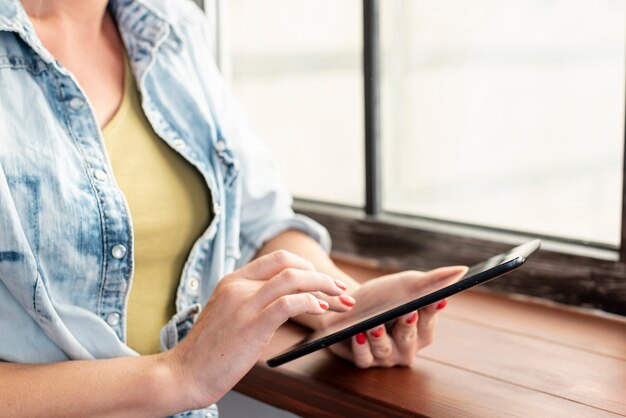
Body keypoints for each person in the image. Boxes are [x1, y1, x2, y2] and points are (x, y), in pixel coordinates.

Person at [0, 0, 467, 416]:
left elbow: (256, 224)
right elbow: (185, 374)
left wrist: (340, 303)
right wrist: (176, 376)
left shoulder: (170, 25)